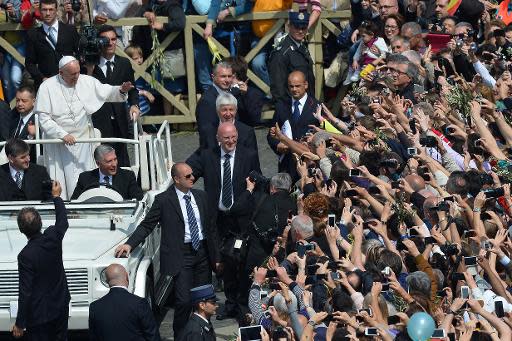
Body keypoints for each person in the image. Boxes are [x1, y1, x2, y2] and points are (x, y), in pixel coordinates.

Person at [114, 162, 221, 338]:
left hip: (202, 254)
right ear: (176, 179)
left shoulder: (201, 196)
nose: (193, 178)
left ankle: (205, 335)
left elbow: (211, 228)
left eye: (192, 174)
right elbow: (147, 225)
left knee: (204, 301)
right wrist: (129, 244)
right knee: (184, 302)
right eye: (187, 176)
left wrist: (216, 257)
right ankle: (181, 336)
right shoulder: (164, 200)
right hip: (181, 255)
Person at [186, 122, 261, 321]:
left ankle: (242, 303)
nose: (231, 141)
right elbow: (189, 171)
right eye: (226, 138)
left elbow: (258, 180)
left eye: (233, 137)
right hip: (217, 217)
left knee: (241, 260)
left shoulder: (248, 155)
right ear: (219, 138)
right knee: (223, 262)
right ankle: (229, 303)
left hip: (240, 219)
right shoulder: (208, 154)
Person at [35, 56, 134, 199]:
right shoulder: (47, 87)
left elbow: (106, 91)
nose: (77, 77)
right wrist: (62, 134)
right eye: (73, 74)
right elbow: (43, 118)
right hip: (59, 142)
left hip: (83, 140)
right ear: (61, 73)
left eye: (78, 72)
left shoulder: (85, 81)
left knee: (84, 174)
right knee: (61, 179)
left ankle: (85, 201)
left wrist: (121, 90)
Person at [11, 180, 70, 340]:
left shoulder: (25, 255)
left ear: (21, 230)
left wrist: (19, 323)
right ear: (40, 222)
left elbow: (26, 292)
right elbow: (62, 221)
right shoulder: (53, 237)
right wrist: (57, 197)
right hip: (61, 306)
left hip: (40, 317)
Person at [88, 25, 140, 167]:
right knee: (100, 158)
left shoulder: (124, 63)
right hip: (98, 119)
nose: (110, 43)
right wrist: (89, 70)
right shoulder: (90, 64)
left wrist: (135, 105)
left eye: (113, 39)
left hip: (120, 118)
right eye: (105, 40)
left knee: (122, 159)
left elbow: (133, 89)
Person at [267, 70, 320, 178]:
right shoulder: (281, 106)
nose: (294, 89)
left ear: (305, 85)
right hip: (286, 165)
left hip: (308, 163)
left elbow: (325, 135)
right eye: (291, 86)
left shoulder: (317, 106)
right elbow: (271, 133)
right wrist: (277, 145)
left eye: (297, 86)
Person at [88, 264, 161, 341]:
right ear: (126, 276)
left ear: (106, 281)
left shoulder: (95, 307)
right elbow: (152, 336)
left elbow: (94, 338)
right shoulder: (139, 303)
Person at [24, 0, 79, 89]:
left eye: (51, 9)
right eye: (44, 10)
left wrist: (74, 74)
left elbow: (80, 54)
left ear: (56, 10)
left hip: (70, 83)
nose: (48, 13)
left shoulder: (70, 30)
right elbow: (29, 63)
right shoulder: (33, 34)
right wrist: (42, 79)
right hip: (46, 85)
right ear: (39, 11)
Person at [268, 11, 315, 102]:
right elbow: (278, 88)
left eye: (304, 28)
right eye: (297, 27)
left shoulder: (302, 47)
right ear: (289, 26)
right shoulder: (282, 52)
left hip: (306, 104)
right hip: (291, 107)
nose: (300, 31)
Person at [71, 144, 143, 201]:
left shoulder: (127, 176)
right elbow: (74, 202)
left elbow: (138, 201)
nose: (114, 164)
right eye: (109, 161)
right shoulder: (85, 178)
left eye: (115, 159)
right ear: (98, 163)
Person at [195, 61, 234, 132]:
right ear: (213, 77)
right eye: (223, 76)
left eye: (229, 76)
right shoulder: (207, 101)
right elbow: (207, 133)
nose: (227, 80)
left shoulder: (233, 94)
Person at [8, 86, 37, 160]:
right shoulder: (12, 119)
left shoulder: (39, 120)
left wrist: (32, 136)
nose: (20, 104)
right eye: (17, 100)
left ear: (34, 102)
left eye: (24, 101)